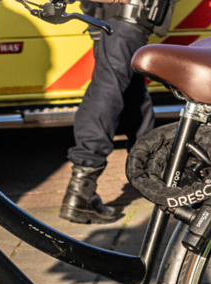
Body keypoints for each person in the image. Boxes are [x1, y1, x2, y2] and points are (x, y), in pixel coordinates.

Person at [59, 0, 169, 224]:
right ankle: (82, 189)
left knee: (131, 90)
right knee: (108, 89)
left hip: (112, 16)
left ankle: (153, 173)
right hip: (127, 14)